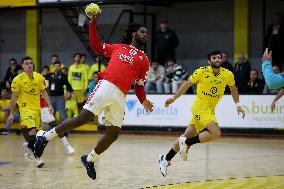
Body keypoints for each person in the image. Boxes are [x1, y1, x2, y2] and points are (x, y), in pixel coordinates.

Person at [34, 3, 154, 180]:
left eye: (147, 33)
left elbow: (138, 84)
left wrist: (143, 100)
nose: (145, 35)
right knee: (83, 118)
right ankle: (45, 138)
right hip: (106, 85)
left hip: (121, 94)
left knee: (113, 135)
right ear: (134, 34)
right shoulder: (119, 47)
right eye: (143, 32)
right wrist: (92, 23)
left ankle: (89, 158)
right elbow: (96, 46)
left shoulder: (144, 60)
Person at [158, 50, 245, 177]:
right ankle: (187, 143)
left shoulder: (228, 74)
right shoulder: (202, 71)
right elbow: (187, 84)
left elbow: (233, 88)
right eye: (214, 58)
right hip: (199, 107)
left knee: (186, 135)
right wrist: (173, 98)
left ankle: (165, 159)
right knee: (215, 133)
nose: (217, 59)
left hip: (209, 109)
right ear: (209, 61)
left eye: (219, 58)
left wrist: (238, 104)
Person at [7, 56, 54, 168]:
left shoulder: (39, 77)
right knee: (32, 131)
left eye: (30, 63)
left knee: (36, 133)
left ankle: (28, 147)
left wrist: (50, 105)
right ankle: (37, 157)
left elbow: (44, 92)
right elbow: (13, 98)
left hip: (36, 109)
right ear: (23, 66)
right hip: (25, 108)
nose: (29, 65)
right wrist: (11, 113)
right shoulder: (18, 79)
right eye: (26, 63)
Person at [44, 61, 75, 154]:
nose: (57, 67)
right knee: (50, 116)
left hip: (60, 99)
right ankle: (49, 133)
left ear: (60, 67)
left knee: (63, 116)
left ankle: (64, 132)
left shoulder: (63, 76)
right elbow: (42, 79)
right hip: (51, 98)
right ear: (53, 67)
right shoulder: (50, 75)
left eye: (58, 66)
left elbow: (68, 85)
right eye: (55, 66)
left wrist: (71, 92)